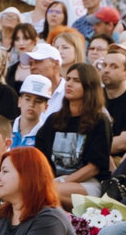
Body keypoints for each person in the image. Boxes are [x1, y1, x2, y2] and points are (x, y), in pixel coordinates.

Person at [35, 61, 114, 199]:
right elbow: (40, 157)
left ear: (89, 87)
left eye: (76, 81)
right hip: (54, 181)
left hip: (88, 183)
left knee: (47, 192)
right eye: (68, 79)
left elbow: (94, 167)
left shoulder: (100, 121)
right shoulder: (54, 120)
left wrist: (63, 180)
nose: (69, 84)